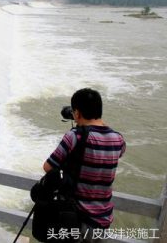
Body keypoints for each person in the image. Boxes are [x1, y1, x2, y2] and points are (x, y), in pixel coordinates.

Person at [43, 88, 126, 242]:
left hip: (76, 218)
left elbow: (48, 167)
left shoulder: (74, 136)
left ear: (77, 113)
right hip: (102, 221)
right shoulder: (118, 139)